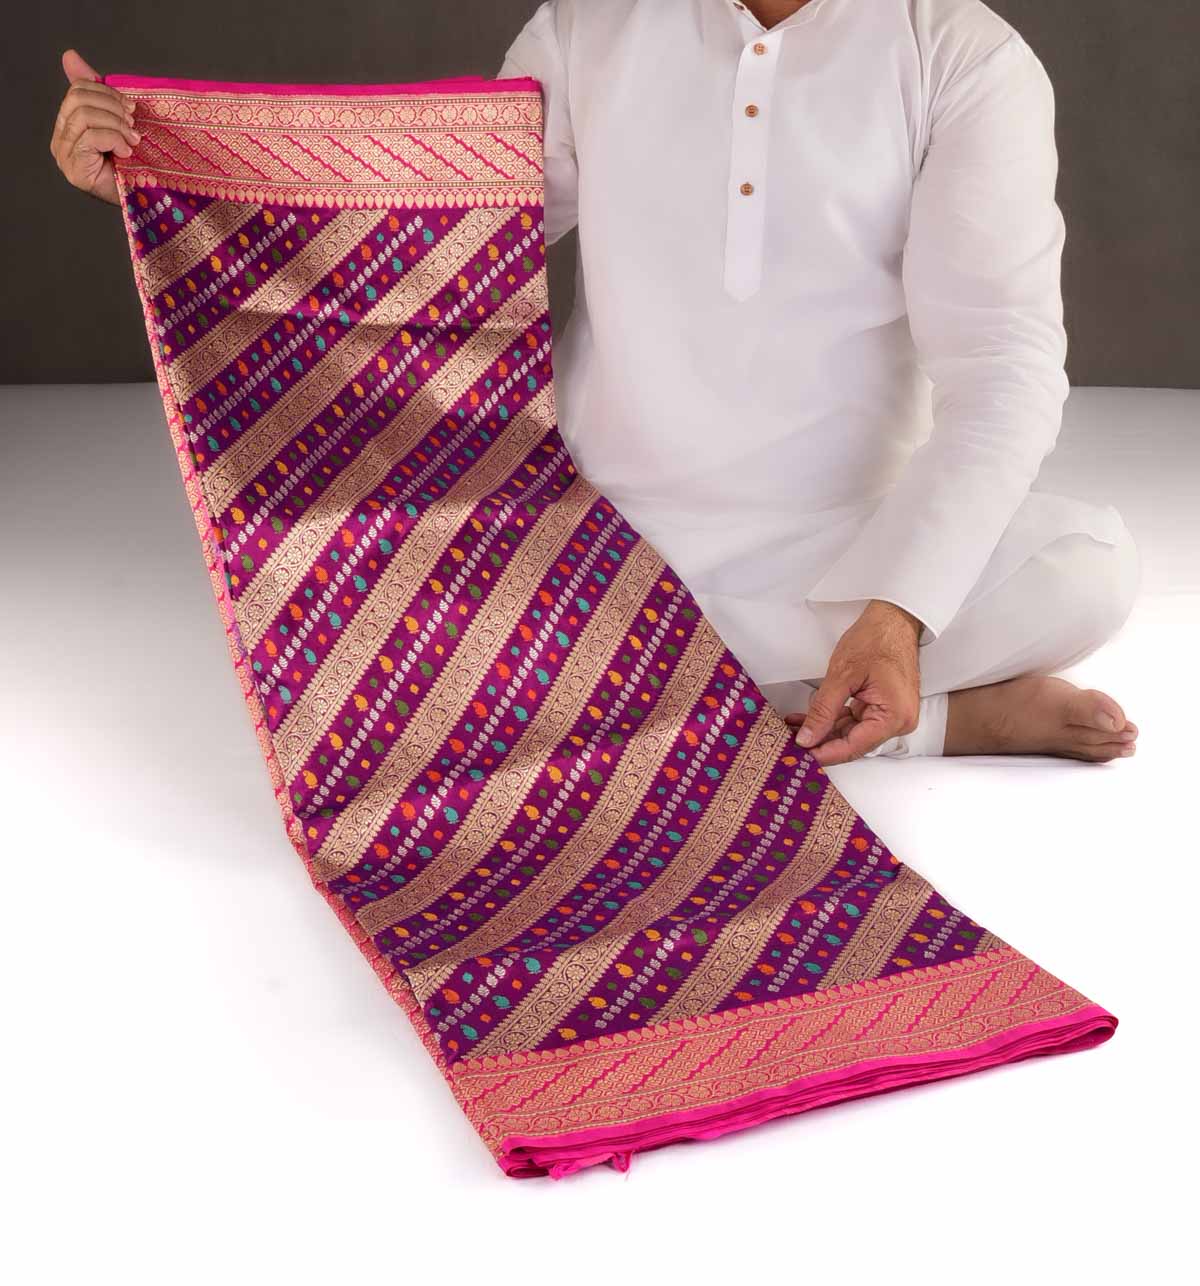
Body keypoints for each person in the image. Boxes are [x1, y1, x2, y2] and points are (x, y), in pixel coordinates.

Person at [50, 0, 1142, 767]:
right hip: (587, 545)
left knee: (1089, 569)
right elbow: (428, 236)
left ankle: (712, 700)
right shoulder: (592, 24)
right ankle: (928, 724)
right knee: (365, 625)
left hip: (845, 559)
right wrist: (163, 178)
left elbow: (1005, 366)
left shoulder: (962, 56)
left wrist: (898, 613)